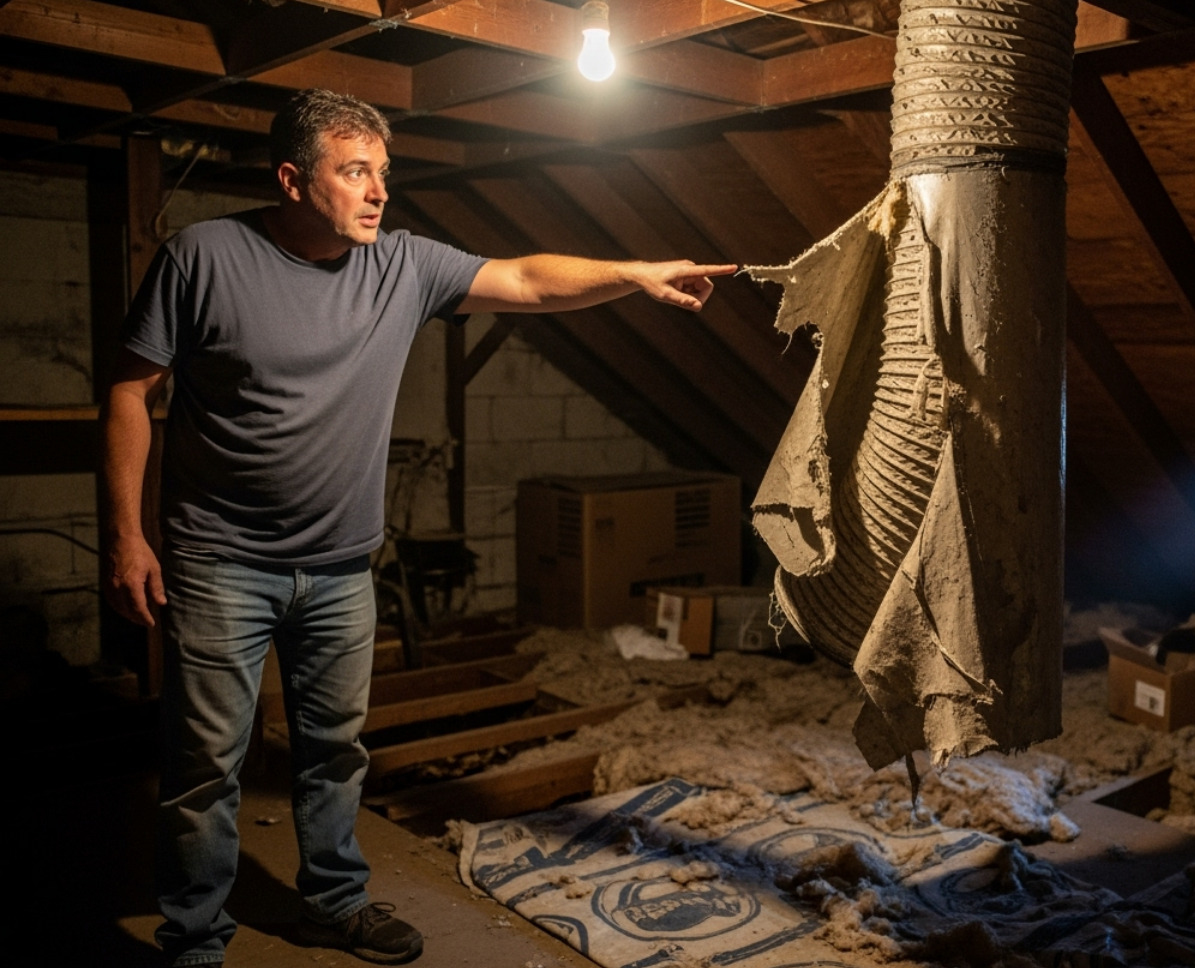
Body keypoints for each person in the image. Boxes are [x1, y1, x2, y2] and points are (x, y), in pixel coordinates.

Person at [100, 88, 735, 967]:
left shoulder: (400, 265)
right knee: (206, 764)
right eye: (354, 171)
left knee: (334, 753)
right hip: (221, 562)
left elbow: (522, 278)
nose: (377, 192)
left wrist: (630, 275)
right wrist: (127, 536)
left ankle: (331, 903)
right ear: (292, 179)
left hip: (340, 569)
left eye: (383, 174)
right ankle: (196, 936)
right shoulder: (203, 256)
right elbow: (130, 391)